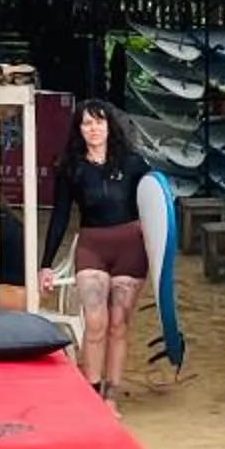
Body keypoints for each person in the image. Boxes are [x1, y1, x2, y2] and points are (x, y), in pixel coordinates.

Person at [39, 99, 149, 402]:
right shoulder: (70, 168)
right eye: (86, 123)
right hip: (92, 247)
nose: (94, 129)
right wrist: (45, 264)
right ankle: (92, 393)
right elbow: (60, 216)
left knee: (119, 323)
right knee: (95, 322)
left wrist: (156, 243)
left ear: (110, 126)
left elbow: (156, 203)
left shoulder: (133, 164)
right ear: (79, 129)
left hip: (130, 249)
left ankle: (111, 396)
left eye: (99, 122)